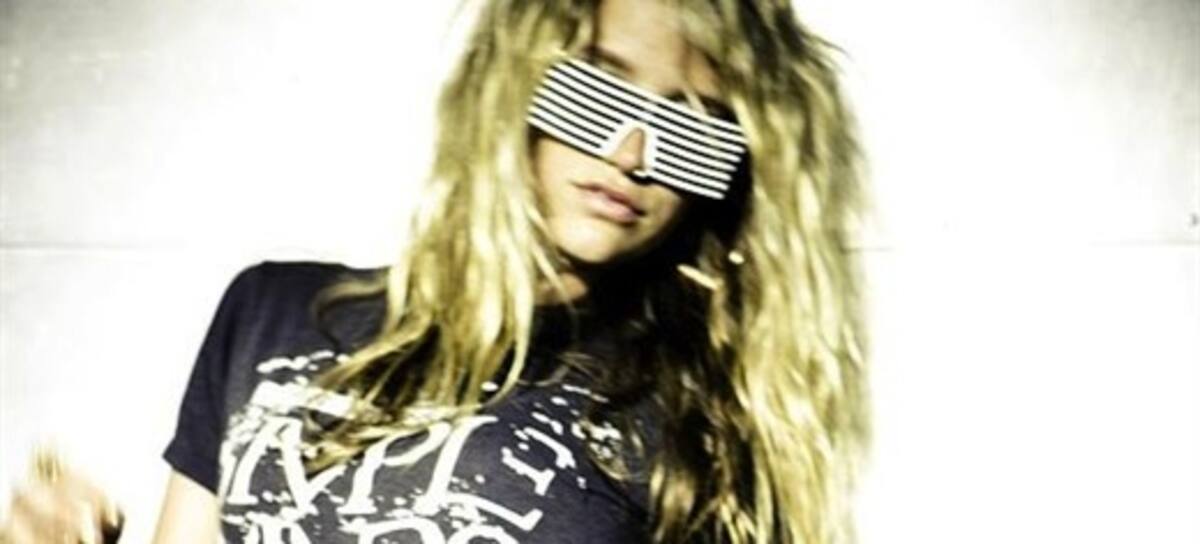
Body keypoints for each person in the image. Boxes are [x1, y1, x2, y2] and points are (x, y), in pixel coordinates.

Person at [0, 0, 870, 542]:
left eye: (694, 126)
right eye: (601, 90)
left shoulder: (701, 419)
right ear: (515, 86)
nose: (633, 152)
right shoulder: (271, 309)